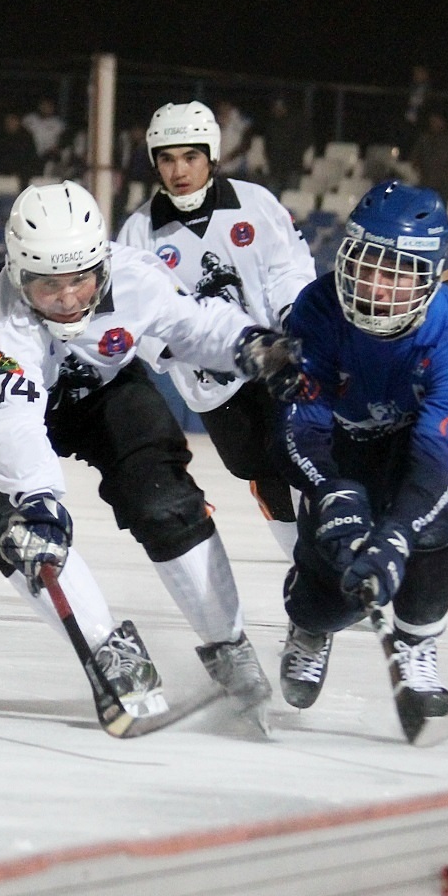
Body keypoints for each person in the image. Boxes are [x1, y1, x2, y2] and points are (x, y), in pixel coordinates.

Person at [0, 180, 305, 730]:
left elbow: (192, 326)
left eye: (80, 280)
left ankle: (227, 642)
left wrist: (251, 344)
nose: (68, 299)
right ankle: (110, 651)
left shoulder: (135, 276)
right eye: (47, 285)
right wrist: (39, 501)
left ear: (101, 265)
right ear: (18, 274)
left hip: (101, 384)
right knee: (7, 526)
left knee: (163, 497)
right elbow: (12, 420)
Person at [272, 180, 448, 735]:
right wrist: (331, 491)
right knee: (335, 577)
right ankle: (310, 626)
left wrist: (398, 533)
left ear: (426, 276)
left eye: (396, 272)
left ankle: (417, 644)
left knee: (436, 519)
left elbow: (436, 459)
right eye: (367, 265)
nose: (377, 287)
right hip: (345, 439)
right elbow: (298, 425)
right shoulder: (316, 309)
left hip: (417, 438)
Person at [117, 101, 318, 562]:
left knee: (309, 461)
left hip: (277, 363)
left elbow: (289, 269)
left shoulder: (256, 204)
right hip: (214, 388)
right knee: (261, 473)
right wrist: (177, 345)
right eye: (167, 159)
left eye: (190, 156)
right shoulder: (138, 233)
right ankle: (303, 565)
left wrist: (294, 317)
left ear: (210, 155)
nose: (179, 170)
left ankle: (328, 561)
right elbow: (135, 317)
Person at [408, 110, 448, 203]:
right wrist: (418, 168)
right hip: (425, 181)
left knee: (441, 207)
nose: (434, 124)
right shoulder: (424, 139)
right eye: (432, 122)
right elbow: (415, 156)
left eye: (437, 121)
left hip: (443, 182)